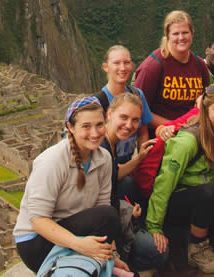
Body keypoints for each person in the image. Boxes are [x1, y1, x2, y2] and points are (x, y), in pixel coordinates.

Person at [146, 85, 214, 274]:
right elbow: (164, 184)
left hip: (203, 196)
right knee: (209, 192)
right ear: (206, 110)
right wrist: (154, 226)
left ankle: (194, 230)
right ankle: (197, 248)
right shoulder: (188, 141)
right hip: (178, 199)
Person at [13, 97, 129, 274]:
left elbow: (102, 208)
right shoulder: (52, 161)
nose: (95, 132)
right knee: (108, 215)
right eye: (86, 126)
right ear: (70, 127)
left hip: (70, 227)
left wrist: (111, 254)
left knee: (109, 215)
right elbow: (38, 221)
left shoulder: (103, 158)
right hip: (36, 243)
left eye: (99, 125)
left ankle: (102, 263)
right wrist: (80, 245)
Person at [100, 93, 168, 271]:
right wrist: (127, 213)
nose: (129, 125)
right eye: (123, 117)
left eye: (135, 120)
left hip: (112, 209)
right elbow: (99, 203)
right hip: (99, 222)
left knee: (129, 183)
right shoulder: (100, 149)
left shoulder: (109, 144)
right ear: (109, 114)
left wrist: (139, 159)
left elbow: (114, 174)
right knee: (160, 252)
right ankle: (122, 261)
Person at [134, 10, 209, 129]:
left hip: (193, 131)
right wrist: (173, 126)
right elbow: (137, 107)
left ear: (192, 34)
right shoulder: (153, 66)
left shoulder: (200, 65)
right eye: (175, 34)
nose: (181, 37)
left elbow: (207, 101)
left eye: (185, 32)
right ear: (167, 36)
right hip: (161, 134)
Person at [99, 45, 153, 146]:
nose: (123, 68)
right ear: (105, 67)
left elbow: (143, 132)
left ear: (131, 66)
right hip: (106, 160)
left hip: (131, 160)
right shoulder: (99, 101)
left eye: (126, 63)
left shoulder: (137, 95)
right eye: (116, 63)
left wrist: (143, 157)